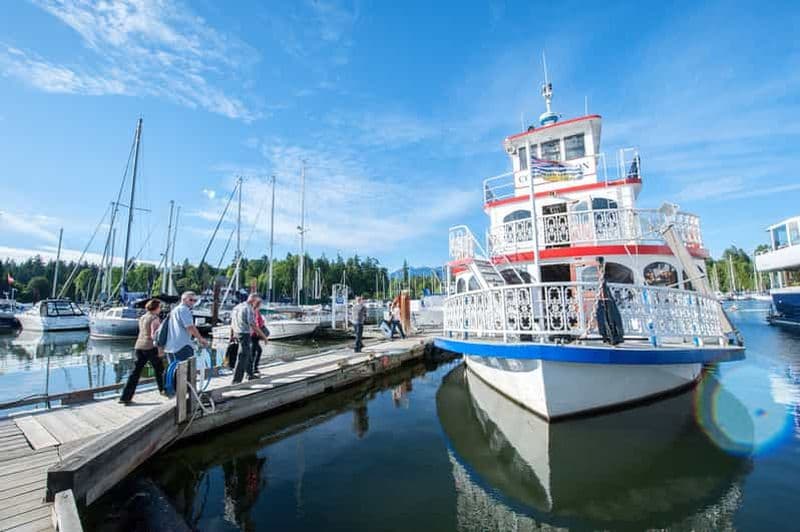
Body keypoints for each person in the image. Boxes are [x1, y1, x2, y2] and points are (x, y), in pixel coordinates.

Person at [119, 299, 165, 404]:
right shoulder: (154, 318)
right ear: (156, 308)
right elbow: (154, 336)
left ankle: (125, 397)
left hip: (139, 346)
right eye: (160, 307)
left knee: (135, 372)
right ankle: (163, 390)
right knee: (160, 370)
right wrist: (160, 349)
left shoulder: (143, 317)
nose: (160, 309)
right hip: (150, 347)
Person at [231, 294, 269, 383]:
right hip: (244, 334)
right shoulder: (248, 309)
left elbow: (232, 322)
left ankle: (250, 374)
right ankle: (236, 380)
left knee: (248, 354)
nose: (257, 304)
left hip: (237, 332)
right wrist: (264, 337)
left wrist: (232, 335)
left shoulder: (237, 307)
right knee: (242, 357)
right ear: (253, 300)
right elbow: (253, 325)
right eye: (257, 301)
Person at [164, 291, 208, 362]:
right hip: (182, 346)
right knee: (186, 367)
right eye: (190, 300)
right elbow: (190, 327)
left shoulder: (174, 310)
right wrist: (200, 339)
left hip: (171, 346)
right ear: (183, 299)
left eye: (195, 300)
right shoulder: (184, 310)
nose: (193, 302)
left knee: (174, 367)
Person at [249, 297, 269, 377]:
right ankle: (253, 369)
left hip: (254, 334)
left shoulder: (254, 311)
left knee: (255, 351)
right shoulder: (256, 312)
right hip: (254, 335)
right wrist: (263, 336)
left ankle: (254, 368)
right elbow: (257, 324)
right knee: (256, 351)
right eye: (260, 304)